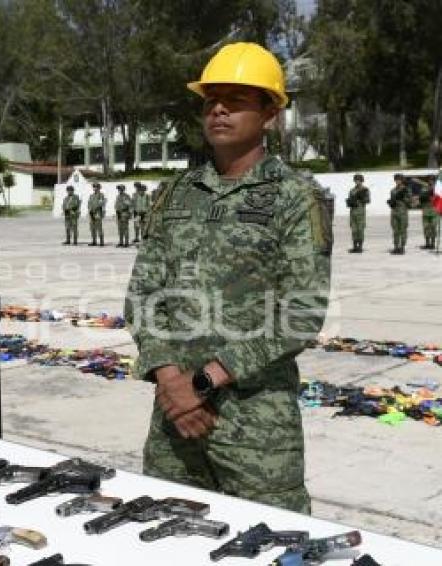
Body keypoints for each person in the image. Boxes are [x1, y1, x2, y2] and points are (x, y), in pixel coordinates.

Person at [125, 42, 332, 514]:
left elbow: (301, 313)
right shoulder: (175, 194)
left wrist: (202, 383)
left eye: (236, 99)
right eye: (210, 99)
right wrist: (169, 379)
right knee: (164, 535)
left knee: (271, 542)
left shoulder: (296, 198)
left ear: (270, 114)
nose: (218, 109)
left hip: (255, 422)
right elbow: (143, 294)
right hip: (174, 417)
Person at [346, 173, 370, 253]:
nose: (357, 182)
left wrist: (361, 198)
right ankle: (354, 246)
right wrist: (350, 202)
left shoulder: (365, 190)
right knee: (354, 230)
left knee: (360, 230)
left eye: (359, 180)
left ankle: (360, 246)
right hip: (353, 212)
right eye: (356, 180)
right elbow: (349, 200)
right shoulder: (352, 190)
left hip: (360, 212)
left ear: (362, 181)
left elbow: (368, 200)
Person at [387, 173, 410, 254]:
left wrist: (403, 198)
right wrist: (391, 202)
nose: (397, 181)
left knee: (403, 230)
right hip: (394, 212)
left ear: (402, 180)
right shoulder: (393, 190)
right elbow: (392, 201)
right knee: (395, 230)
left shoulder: (406, 190)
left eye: (399, 180)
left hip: (403, 212)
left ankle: (402, 247)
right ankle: (396, 246)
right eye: (396, 180)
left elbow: (409, 202)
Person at [418, 178, 439, 250]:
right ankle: (427, 243)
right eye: (429, 180)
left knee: (433, 228)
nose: (431, 181)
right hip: (425, 211)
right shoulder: (424, 189)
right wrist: (429, 193)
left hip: (434, 212)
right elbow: (421, 197)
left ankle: (433, 244)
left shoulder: (437, 189)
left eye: (432, 180)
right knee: (426, 228)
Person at [87, 182, 106, 246]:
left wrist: (99, 210)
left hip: (98, 213)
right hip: (92, 213)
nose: (95, 188)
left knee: (99, 227)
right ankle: (94, 241)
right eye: (94, 187)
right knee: (92, 228)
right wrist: (89, 210)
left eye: (96, 187)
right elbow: (89, 204)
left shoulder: (101, 195)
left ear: (99, 188)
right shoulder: (91, 196)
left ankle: (101, 241)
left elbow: (102, 203)